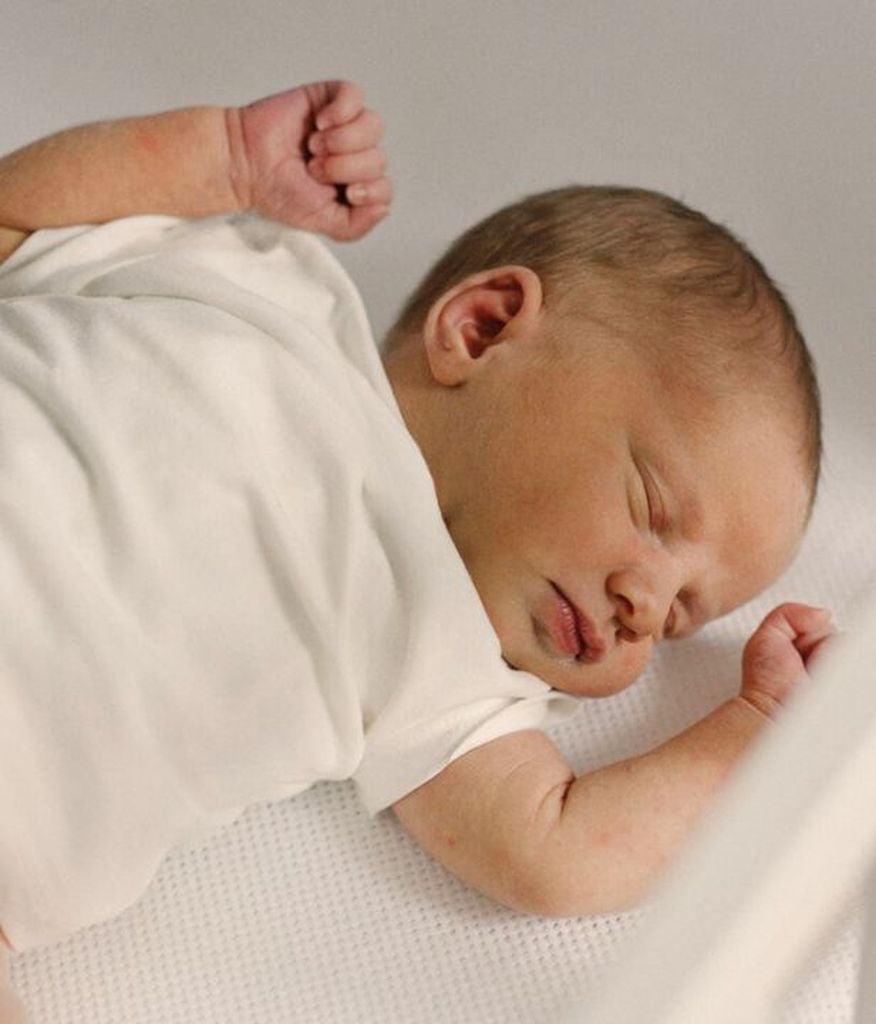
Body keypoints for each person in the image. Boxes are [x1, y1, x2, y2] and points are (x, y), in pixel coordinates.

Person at [0, 78, 833, 981]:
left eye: (678, 620)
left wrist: (761, 728)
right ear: (481, 328)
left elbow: (552, 853)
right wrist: (224, 157)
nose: (646, 606)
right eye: (651, 508)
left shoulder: (444, 655)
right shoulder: (263, 289)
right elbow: (16, 221)